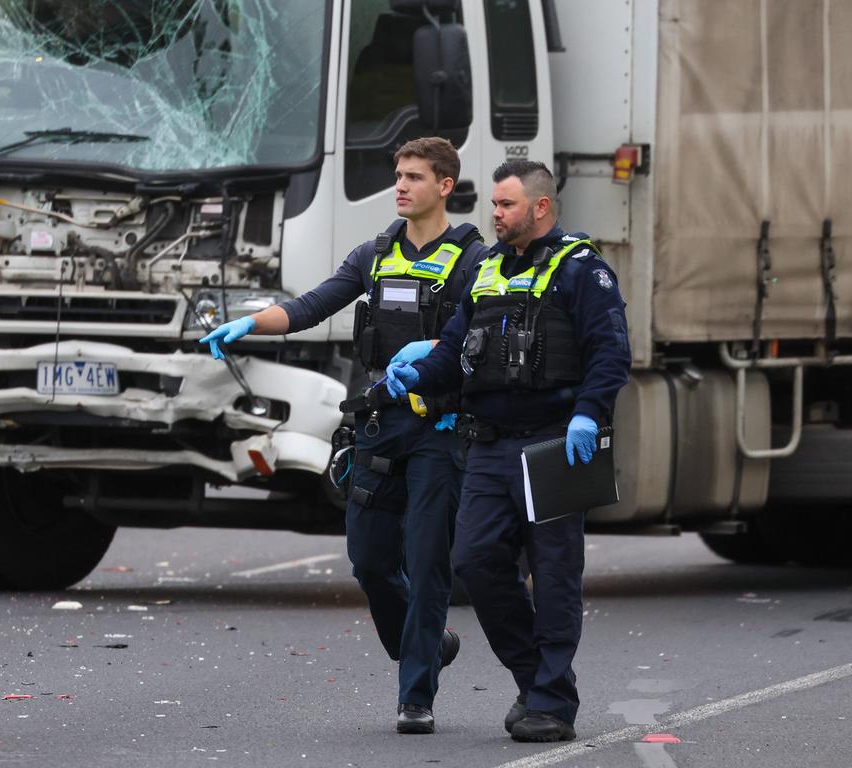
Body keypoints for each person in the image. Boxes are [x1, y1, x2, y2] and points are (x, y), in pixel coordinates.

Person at [199, 137, 491, 734]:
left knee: (429, 561)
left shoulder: (474, 261)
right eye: (398, 175)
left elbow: (477, 337)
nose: (401, 185)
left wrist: (436, 352)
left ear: (444, 185)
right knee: (369, 560)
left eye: (414, 177)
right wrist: (251, 324)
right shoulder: (375, 254)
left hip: (439, 430)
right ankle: (430, 645)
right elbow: (311, 306)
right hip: (379, 427)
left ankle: (416, 696)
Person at [386, 159, 631, 742]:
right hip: (490, 447)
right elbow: (452, 351)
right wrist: (414, 376)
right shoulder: (489, 270)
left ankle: (549, 703)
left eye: (506, 206)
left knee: (553, 574)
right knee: (473, 562)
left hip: (555, 444)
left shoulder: (581, 270)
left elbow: (610, 353)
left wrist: (587, 415)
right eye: (494, 205)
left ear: (540, 207)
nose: (495, 216)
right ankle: (537, 677)